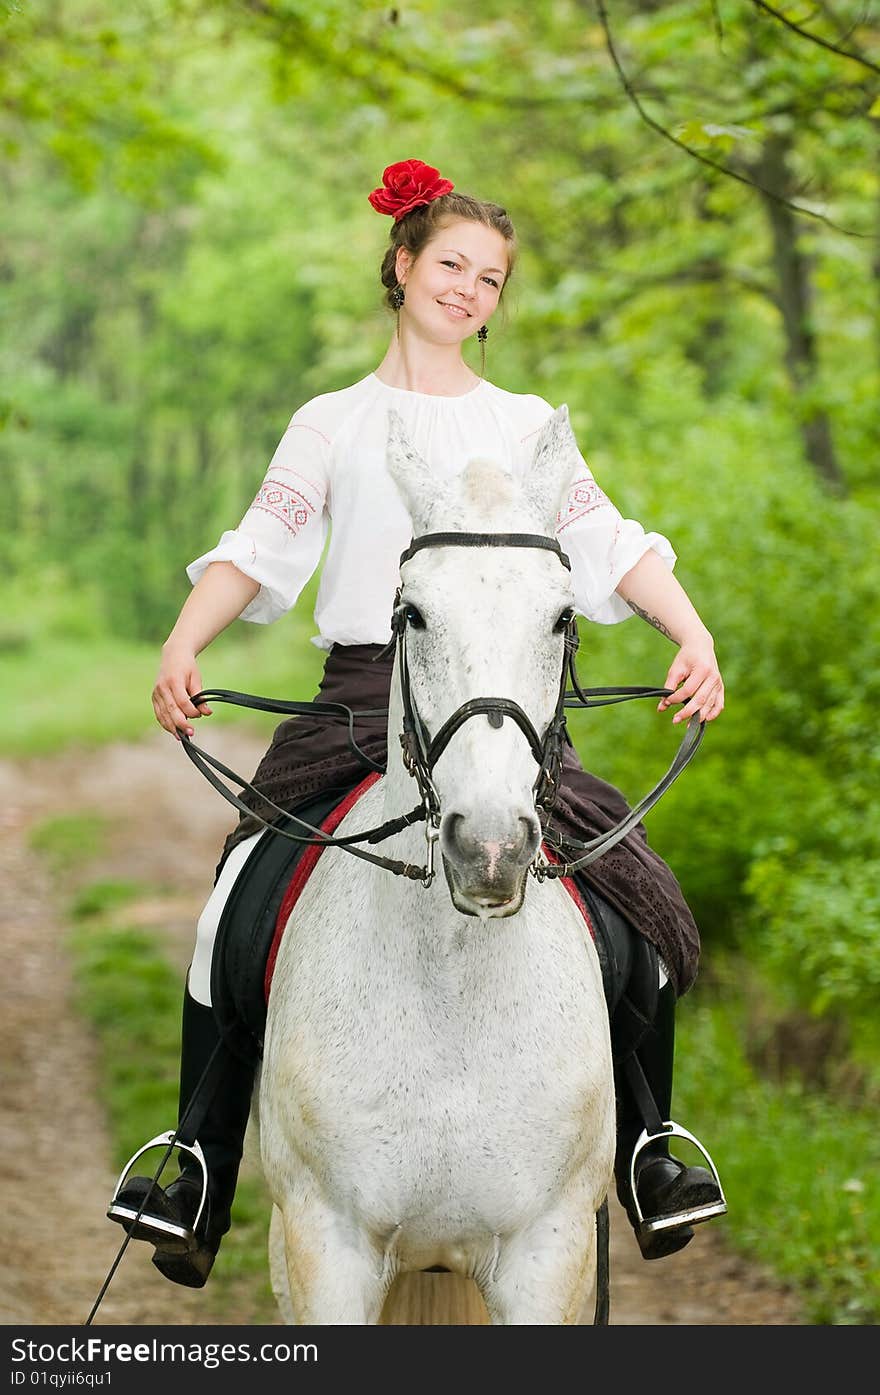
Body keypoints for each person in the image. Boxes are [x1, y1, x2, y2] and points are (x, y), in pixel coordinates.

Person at [108, 158, 726, 1289]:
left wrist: (692, 634)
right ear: (401, 268)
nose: (470, 290)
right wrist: (182, 642)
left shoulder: (530, 428)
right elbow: (261, 544)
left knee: (636, 896)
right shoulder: (333, 423)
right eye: (452, 266)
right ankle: (193, 1161)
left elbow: (610, 542)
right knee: (234, 902)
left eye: (491, 277)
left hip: (508, 703)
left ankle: (648, 1145)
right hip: (358, 703)